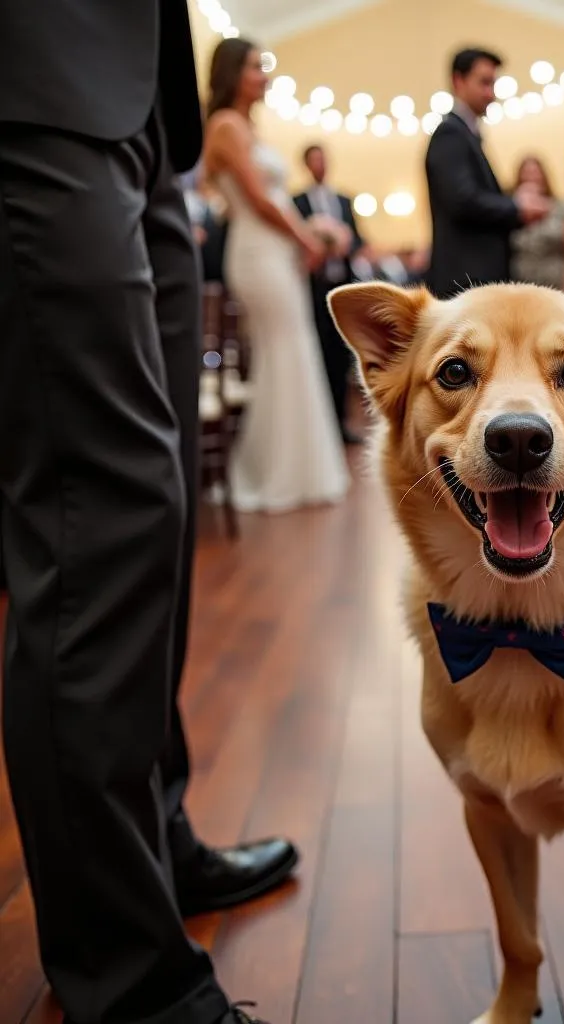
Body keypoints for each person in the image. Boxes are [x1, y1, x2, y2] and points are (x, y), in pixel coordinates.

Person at [0, 3, 292, 1023]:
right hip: (32, 78)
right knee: (98, 506)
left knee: (154, 502)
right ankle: (127, 977)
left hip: (145, 111)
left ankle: (154, 840)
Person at [203, 38, 351, 514]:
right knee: (281, 350)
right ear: (231, 72)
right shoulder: (225, 124)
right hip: (255, 253)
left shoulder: (248, 127)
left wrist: (307, 237)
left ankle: (297, 469)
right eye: (253, 67)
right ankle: (270, 473)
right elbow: (261, 200)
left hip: (274, 251)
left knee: (291, 350)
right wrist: (308, 240)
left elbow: (275, 202)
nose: (263, 76)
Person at [424, 47, 550, 298]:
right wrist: (517, 207)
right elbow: (462, 199)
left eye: (493, 84)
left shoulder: (466, 134)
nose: (490, 93)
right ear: (458, 81)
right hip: (466, 278)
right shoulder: (450, 134)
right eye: (484, 83)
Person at [294, 144, 365, 444]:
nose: (319, 165)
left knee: (340, 358)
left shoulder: (344, 200)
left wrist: (345, 242)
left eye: (323, 159)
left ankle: (341, 422)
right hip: (313, 290)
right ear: (307, 166)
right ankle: (318, 429)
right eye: (314, 161)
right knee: (317, 356)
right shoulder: (296, 202)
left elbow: (359, 239)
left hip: (342, 286)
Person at [509, 155, 564, 295]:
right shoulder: (510, 213)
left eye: (535, 173)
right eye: (527, 174)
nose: (532, 178)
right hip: (519, 290)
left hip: (557, 288)